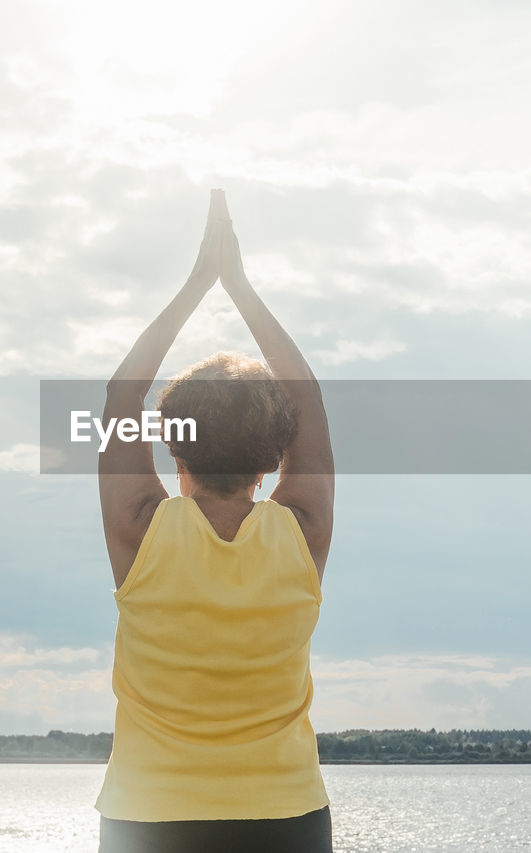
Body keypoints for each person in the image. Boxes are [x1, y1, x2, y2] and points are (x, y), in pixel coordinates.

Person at [94, 189, 335, 853]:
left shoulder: (142, 531)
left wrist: (200, 281)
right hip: (287, 816)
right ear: (270, 460)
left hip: (150, 817)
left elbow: (120, 397)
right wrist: (241, 287)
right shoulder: (302, 529)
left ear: (174, 448)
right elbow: (307, 400)